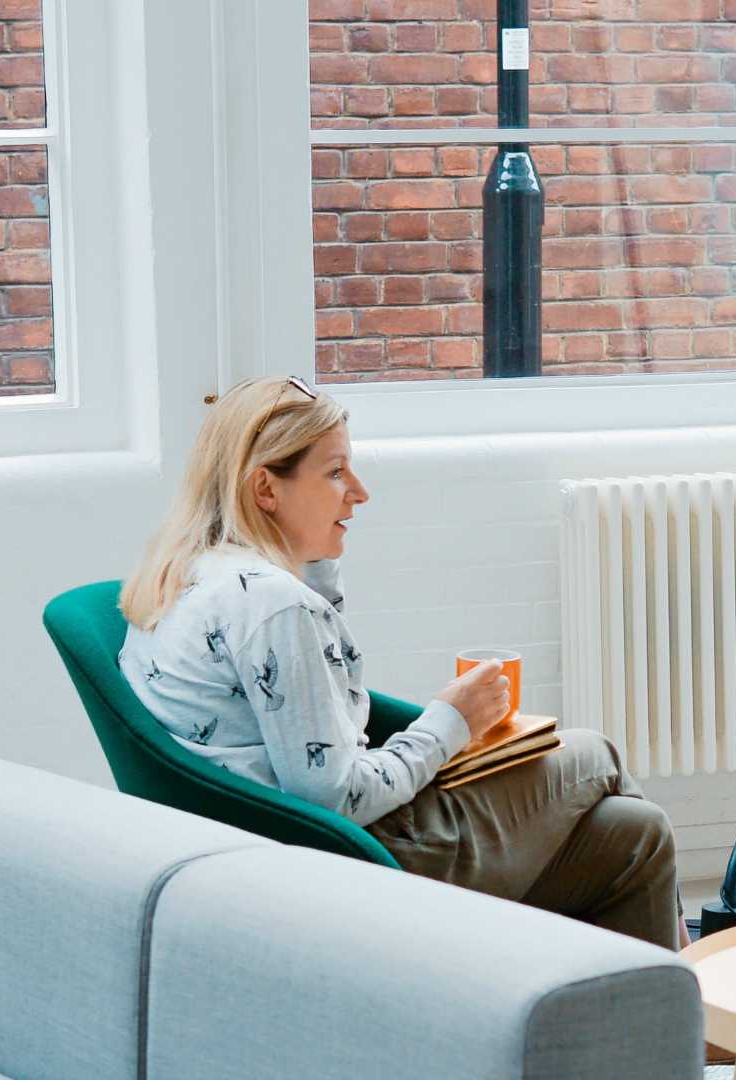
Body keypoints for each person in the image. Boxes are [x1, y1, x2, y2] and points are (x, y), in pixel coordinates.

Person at [118, 375, 679, 948]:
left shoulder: (191, 572)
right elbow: (333, 797)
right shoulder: (274, 606)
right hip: (361, 860)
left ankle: (675, 1021)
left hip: (272, 854)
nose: (359, 492)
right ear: (266, 489)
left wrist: (311, 558)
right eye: (335, 472)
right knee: (591, 753)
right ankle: (676, 990)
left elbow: (317, 716)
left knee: (636, 832)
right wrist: (449, 721)